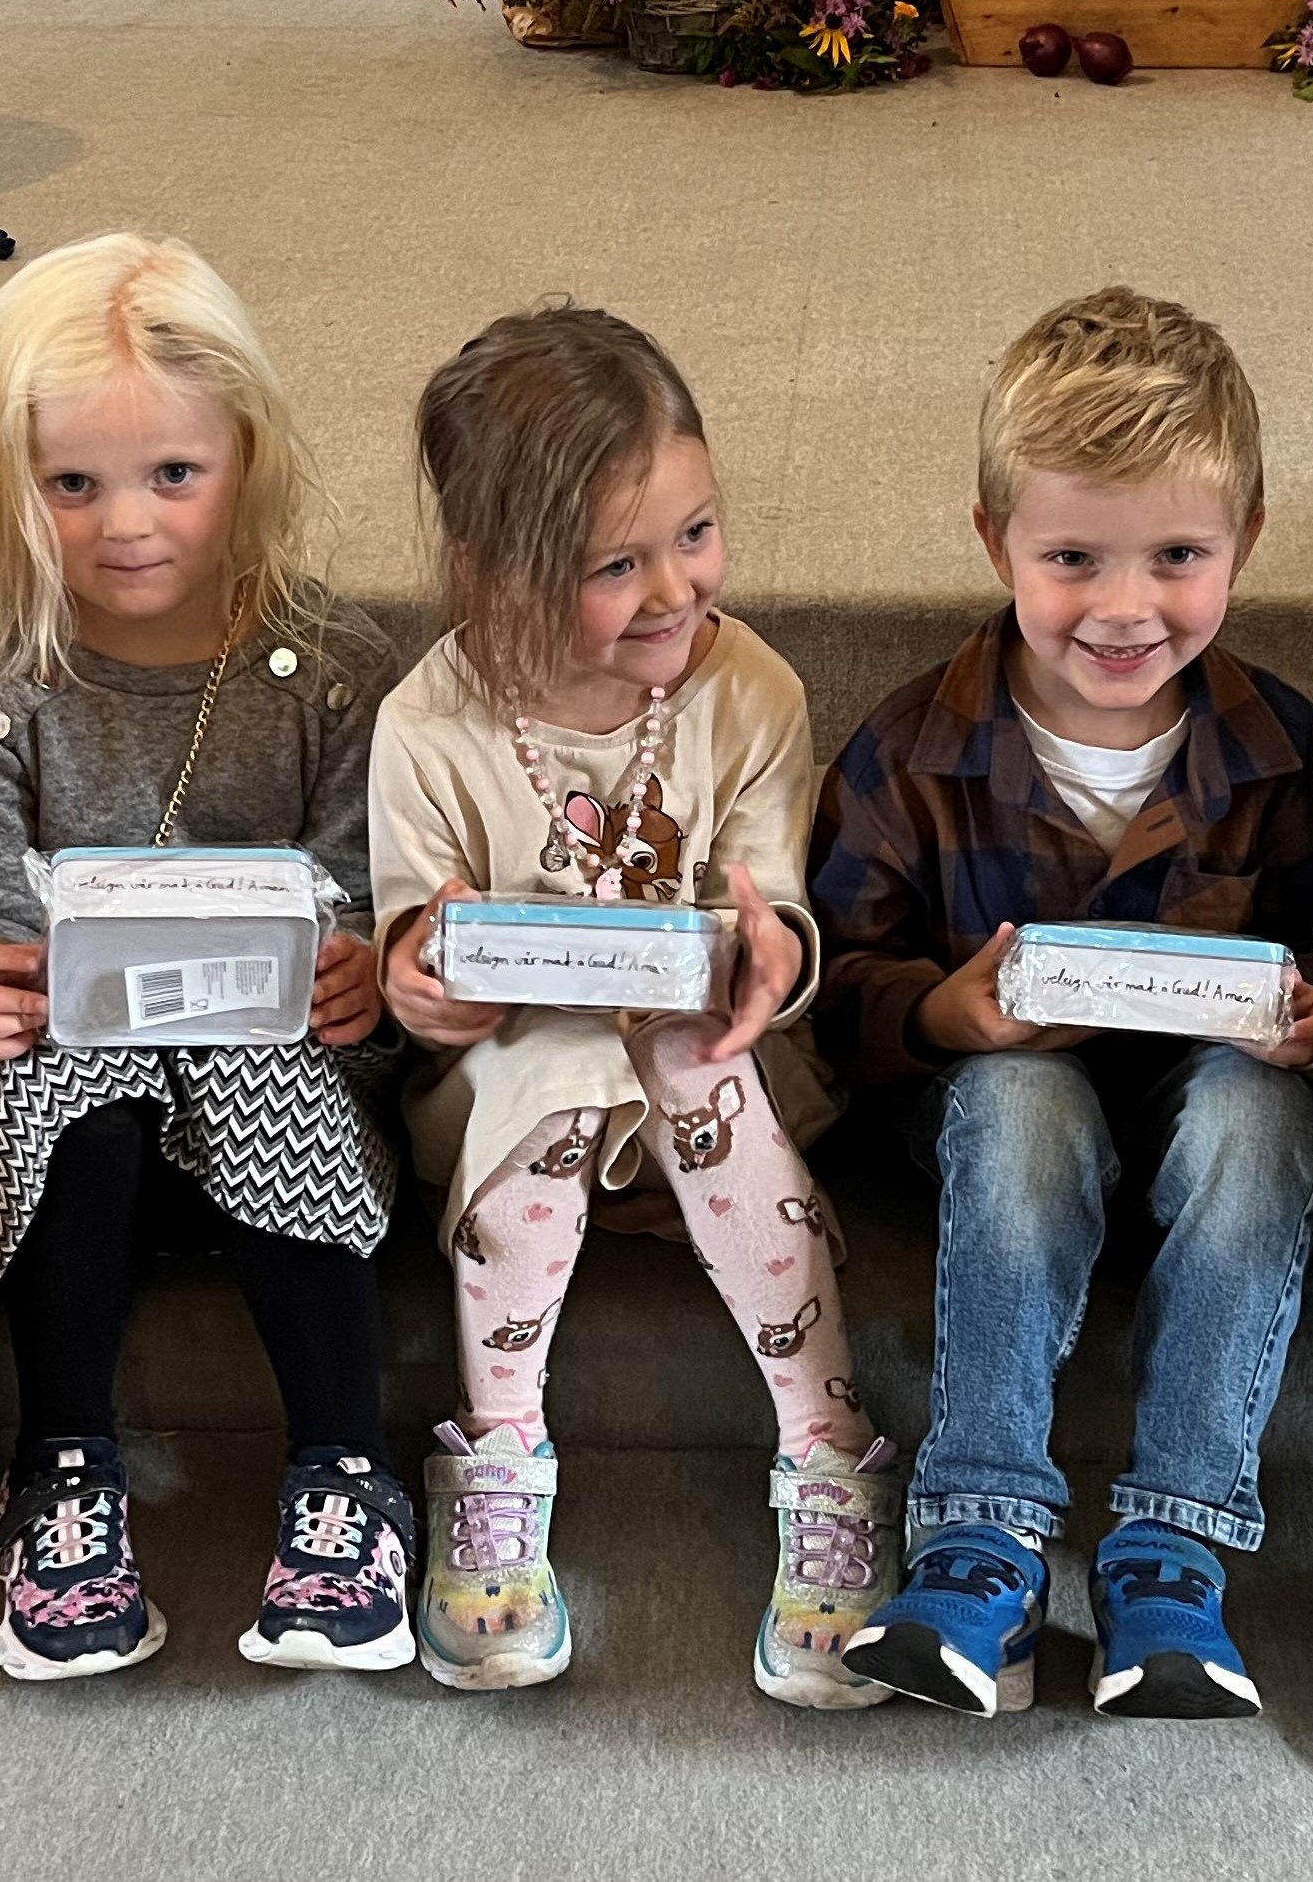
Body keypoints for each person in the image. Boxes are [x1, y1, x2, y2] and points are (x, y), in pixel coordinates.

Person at [810, 288, 1313, 1721]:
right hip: (991, 1115)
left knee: (1260, 1106)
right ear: (996, 544)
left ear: (1248, 542)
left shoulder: (1290, 751)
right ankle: (981, 1528)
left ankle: (1175, 1537)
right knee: (1023, 1095)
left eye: (1178, 554)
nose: (1123, 604)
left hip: (1208, 1108)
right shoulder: (910, 748)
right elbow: (833, 985)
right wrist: (941, 1015)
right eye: (1071, 556)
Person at [371, 305, 897, 1706]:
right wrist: (421, 982)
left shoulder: (752, 690)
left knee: (691, 1059)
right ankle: (494, 1446)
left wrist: (770, 946)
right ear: (490, 576)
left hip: (711, 1069)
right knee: (549, 1077)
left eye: (697, 532)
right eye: (616, 564)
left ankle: (828, 1446)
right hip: (511, 1091)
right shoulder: (429, 721)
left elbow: (778, 901)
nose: (674, 588)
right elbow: (414, 947)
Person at [0, 234, 413, 1682]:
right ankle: (63, 1456)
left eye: (172, 477)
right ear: (11, 482)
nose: (126, 523)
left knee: (258, 1055)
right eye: (73, 484)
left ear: (245, 458)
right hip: (80, 1109)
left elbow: (360, 877)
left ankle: (344, 1462)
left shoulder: (329, 667)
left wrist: (360, 964)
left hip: (285, 1093)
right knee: (77, 1050)